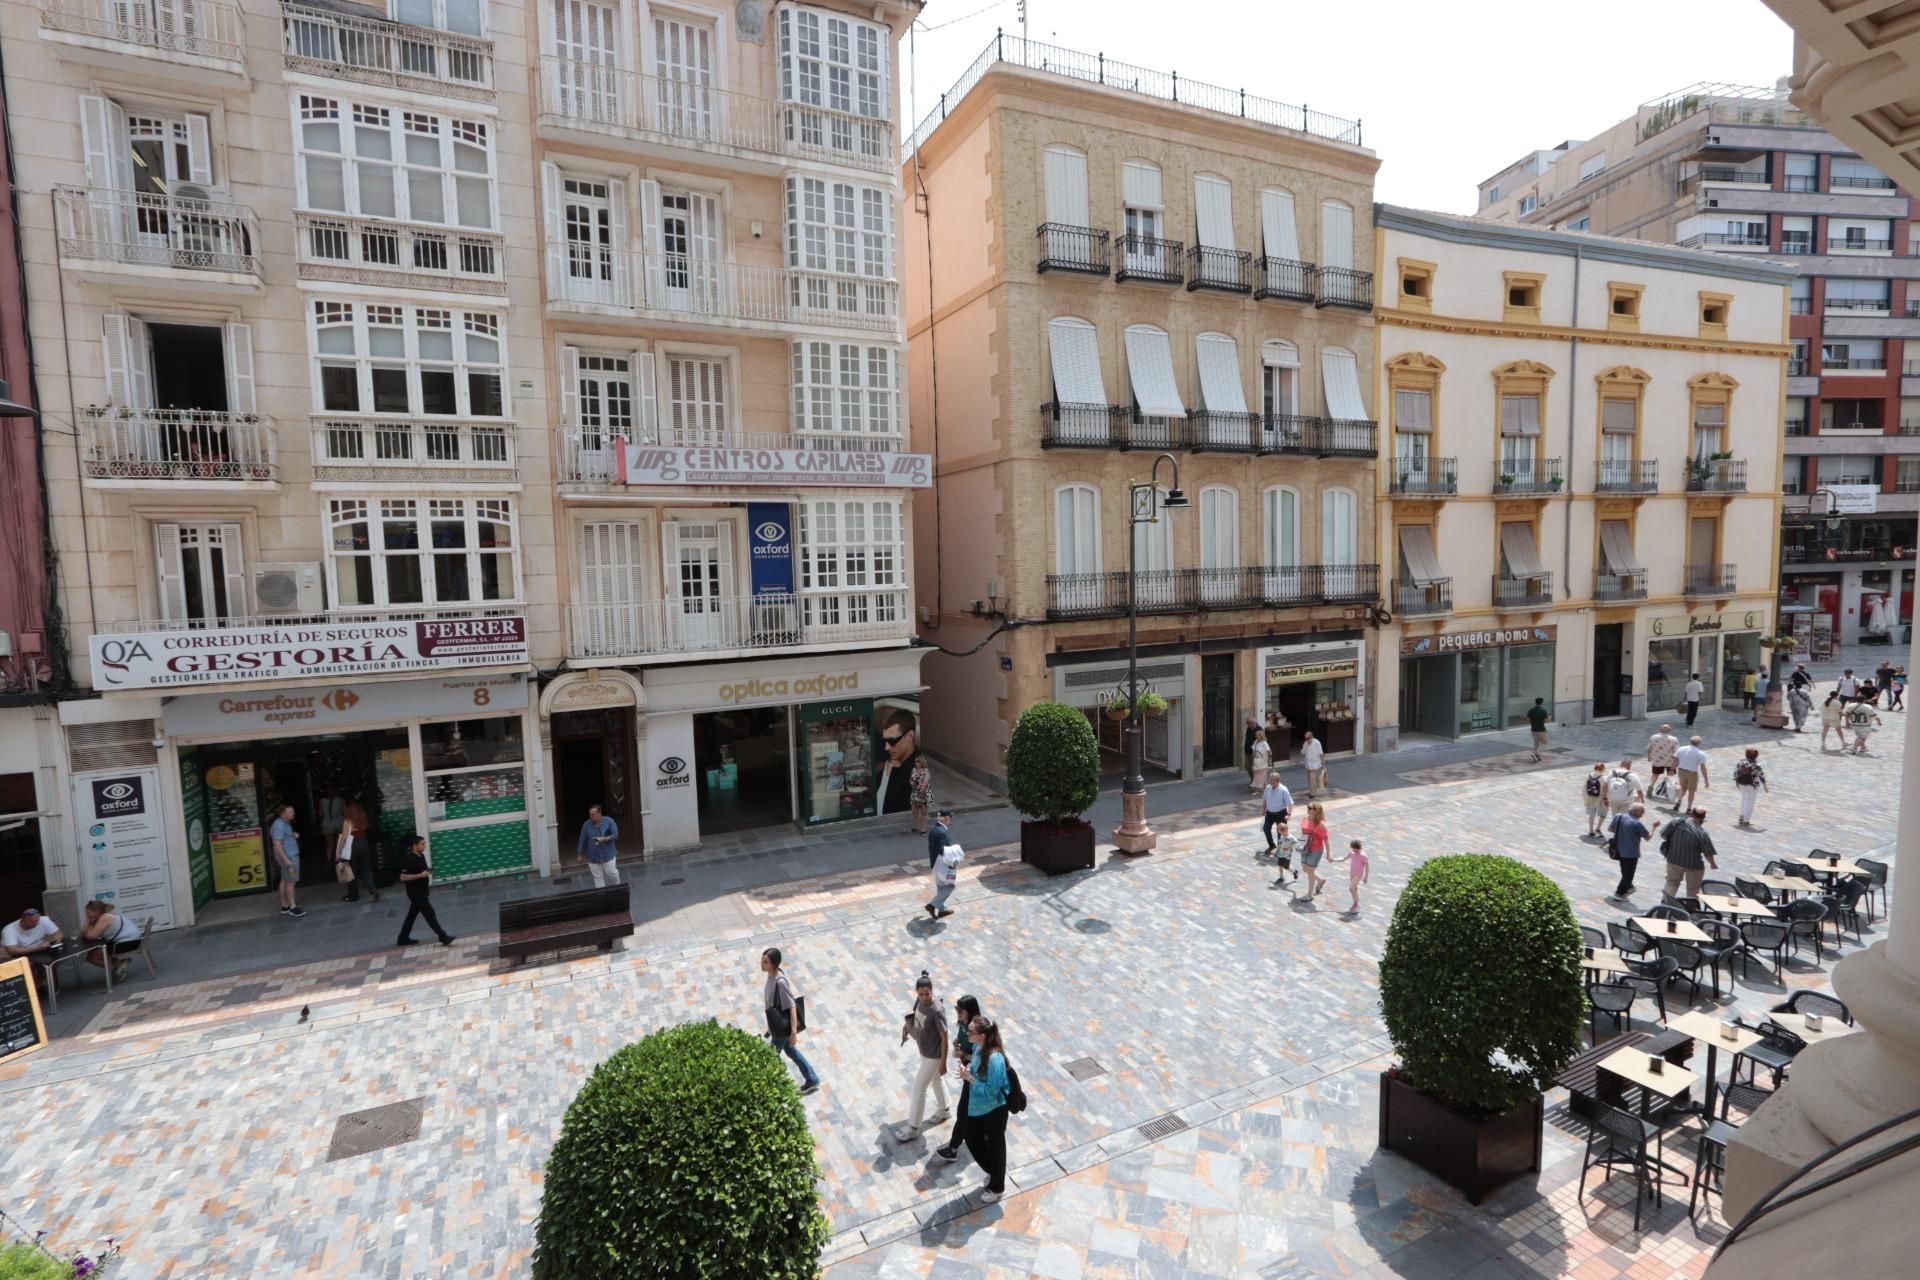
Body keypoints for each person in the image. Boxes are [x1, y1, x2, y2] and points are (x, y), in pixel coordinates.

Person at [958, 1015, 1011, 1201]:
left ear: (981, 1035)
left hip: (994, 1109)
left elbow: (992, 1091)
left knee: (996, 1146)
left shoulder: (995, 1058)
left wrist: (970, 1079)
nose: (967, 1033)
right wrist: (967, 1069)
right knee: (971, 1137)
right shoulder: (978, 1047)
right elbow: (975, 1065)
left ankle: (997, 1187)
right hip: (978, 1107)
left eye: (970, 1031)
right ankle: (995, 1171)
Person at [896, 971, 951, 1142]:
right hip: (924, 1051)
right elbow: (916, 1017)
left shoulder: (937, 1010)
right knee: (935, 1080)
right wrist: (905, 1029)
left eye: (927, 994)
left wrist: (943, 1062)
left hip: (934, 1056)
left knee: (919, 1088)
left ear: (932, 991)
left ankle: (913, 1127)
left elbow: (945, 1038)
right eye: (920, 994)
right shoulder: (919, 1001)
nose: (924, 997)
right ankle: (945, 1109)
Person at [760, 946, 819, 1094]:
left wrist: (793, 1033)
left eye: (765, 962)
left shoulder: (780, 982)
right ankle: (812, 1079)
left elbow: (791, 1006)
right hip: (778, 1025)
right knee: (791, 1051)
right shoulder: (771, 975)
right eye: (762, 961)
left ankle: (771, 1087)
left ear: (773, 964)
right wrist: (769, 1026)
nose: (762, 964)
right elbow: (773, 1004)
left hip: (784, 1028)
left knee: (770, 1056)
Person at [933, 994, 981, 1164]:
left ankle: (953, 1149)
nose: (958, 1012)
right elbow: (961, 1039)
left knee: (963, 1111)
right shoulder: (963, 1024)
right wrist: (957, 1044)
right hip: (967, 1072)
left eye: (961, 1010)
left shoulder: (976, 1029)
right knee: (969, 1109)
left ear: (970, 1011)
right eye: (957, 1009)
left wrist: (964, 1055)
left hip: (975, 1075)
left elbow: (978, 1055)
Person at [394, 834, 454, 947]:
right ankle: (443, 936)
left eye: (424, 843)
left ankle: (402, 938)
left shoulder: (421, 856)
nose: (425, 846)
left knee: (411, 915)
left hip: (422, 890)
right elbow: (403, 877)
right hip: (414, 892)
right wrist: (421, 875)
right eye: (422, 844)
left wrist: (427, 871)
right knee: (429, 913)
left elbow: (422, 871)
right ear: (414, 846)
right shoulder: (408, 859)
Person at [1661, 806, 1720, 900]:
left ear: (1691, 813)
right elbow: (1708, 853)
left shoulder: (1676, 822)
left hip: (1673, 859)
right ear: (1703, 818)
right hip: (1693, 865)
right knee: (1693, 889)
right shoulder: (1702, 833)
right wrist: (1712, 864)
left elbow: (1663, 834)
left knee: (1671, 883)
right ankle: (1691, 909)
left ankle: (1665, 904)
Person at [79, 900, 142, 984]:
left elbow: (91, 936)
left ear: (96, 911)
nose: (86, 914)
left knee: (92, 958)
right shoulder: (102, 917)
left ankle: (117, 969)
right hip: (131, 940)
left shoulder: (105, 918)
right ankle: (119, 964)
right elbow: (83, 934)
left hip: (129, 942)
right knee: (92, 955)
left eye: (88, 912)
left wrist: (88, 921)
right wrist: (89, 920)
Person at [1608, 803, 1657, 902]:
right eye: (1642, 812)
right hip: (1631, 853)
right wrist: (1654, 827)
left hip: (1618, 849)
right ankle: (1619, 893)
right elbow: (1648, 837)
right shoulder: (1637, 823)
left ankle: (1628, 887)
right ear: (1637, 812)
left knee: (1624, 871)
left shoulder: (1619, 816)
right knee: (1628, 875)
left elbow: (1610, 829)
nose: (1642, 815)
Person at [876, 709, 921, 815]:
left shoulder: (916, 774)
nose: (887, 747)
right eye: (884, 741)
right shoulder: (890, 759)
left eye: (892, 741)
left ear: (909, 736)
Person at [269, 803, 306, 918]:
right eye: (290, 812)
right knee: (291, 882)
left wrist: (292, 835)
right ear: (282, 814)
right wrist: (286, 860)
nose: (293, 814)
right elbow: (277, 844)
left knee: (285, 880)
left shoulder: (282, 823)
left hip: (287, 855)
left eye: (293, 811)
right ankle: (293, 907)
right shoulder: (280, 825)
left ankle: (285, 905)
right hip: (289, 856)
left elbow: (281, 839)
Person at [336, 814, 379, 903]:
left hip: (353, 846)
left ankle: (353, 896)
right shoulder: (363, 819)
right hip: (364, 844)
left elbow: (344, 837)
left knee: (351, 872)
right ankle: (373, 890)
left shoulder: (348, 821)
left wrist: (338, 853)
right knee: (366, 870)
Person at [576, 804, 620, 888]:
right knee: (598, 877)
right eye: (590, 814)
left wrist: (605, 839)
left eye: (592, 814)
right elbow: (582, 839)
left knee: (611, 873)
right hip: (593, 857)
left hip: (608, 855)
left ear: (599, 813)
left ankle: (617, 886)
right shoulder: (586, 824)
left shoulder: (609, 821)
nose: (590, 816)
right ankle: (601, 894)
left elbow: (615, 834)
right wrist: (579, 853)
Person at [1296, 801, 1330, 900]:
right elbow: (1303, 832)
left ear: (1315, 811)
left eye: (1309, 807)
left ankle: (1310, 895)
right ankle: (1320, 880)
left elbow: (1326, 841)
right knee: (1305, 869)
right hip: (1305, 848)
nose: (1307, 809)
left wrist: (1328, 854)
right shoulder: (1305, 819)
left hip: (1316, 850)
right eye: (1308, 807)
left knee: (1310, 870)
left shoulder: (1320, 825)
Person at [1259, 770, 1293, 869]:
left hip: (1280, 814)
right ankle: (1271, 845)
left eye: (1272, 781)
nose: (1270, 782)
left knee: (1280, 834)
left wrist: (1289, 814)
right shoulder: (1268, 788)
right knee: (1266, 828)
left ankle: (1279, 851)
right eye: (1270, 780)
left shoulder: (1283, 790)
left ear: (1277, 781)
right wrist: (1263, 809)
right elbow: (1265, 799)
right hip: (1270, 813)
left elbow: (1290, 804)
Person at [1733, 747, 1769, 827]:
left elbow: (1735, 773)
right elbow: (1761, 775)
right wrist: (1765, 786)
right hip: (1752, 785)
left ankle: (1742, 816)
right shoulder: (1756, 765)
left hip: (1741, 784)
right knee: (1750, 802)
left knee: (1744, 799)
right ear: (1756, 756)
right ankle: (1746, 820)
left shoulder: (1740, 762)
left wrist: (1736, 780)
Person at [1673, 735, 1709, 814]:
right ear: (1699, 743)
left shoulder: (1681, 748)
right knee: (1691, 791)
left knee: (1683, 788)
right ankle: (1689, 808)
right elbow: (1703, 768)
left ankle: (1679, 800)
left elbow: (1675, 759)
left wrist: (1672, 768)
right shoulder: (1700, 753)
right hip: (1692, 774)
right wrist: (1706, 780)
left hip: (1681, 771)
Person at [927, 841, 962, 919]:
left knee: (941, 890)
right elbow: (952, 869)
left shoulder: (942, 854)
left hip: (937, 870)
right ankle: (932, 905)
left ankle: (942, 910)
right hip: (945, 874)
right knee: (950, 887)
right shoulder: (953, 857)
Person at [1646, 724, 1680, 804]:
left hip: (1657, 760)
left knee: (1655, 774)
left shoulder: (1653, 737)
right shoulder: (1673, 739)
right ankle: (1668, 791)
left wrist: (1649, 757)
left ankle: (1651, 786)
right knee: (1670, 776)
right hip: (1669, 761)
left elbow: (1649, 748)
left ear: (1660, 730)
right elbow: (1677, 752)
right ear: (1669, 731)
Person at [1341, 838, 1369, 914]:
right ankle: (1355, 903)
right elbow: (1343, 859)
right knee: (1354, 889)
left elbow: (1367, 867)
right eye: (1353, 850)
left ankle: (1356, 904)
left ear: (1360, 848)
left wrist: (1365, 877)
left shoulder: (1363, 855)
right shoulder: (1352, 852)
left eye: (1356, 850)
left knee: (1351, 888)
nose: (1355, 852)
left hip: (1358, 874)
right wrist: (1333, 859)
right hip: (1352, 873)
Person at [1583, 763, 1609, 838]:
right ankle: (1598, 828)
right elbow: (1606, 789)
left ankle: (1591, 831)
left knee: (1591, 814)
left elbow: (1584, 788)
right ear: (1603, 769)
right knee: (1604, 812)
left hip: (1590, 797)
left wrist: (1585, 798)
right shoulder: (1604, 778)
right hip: (1600, 797)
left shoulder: (1589, 776)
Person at [909, 755, 933, 835]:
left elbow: (925, 782)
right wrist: (913, 783)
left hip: (924, 794)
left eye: (918, 761)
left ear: (922, 762)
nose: (916, 763)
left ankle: (923, 829)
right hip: (915, 793)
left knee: (923, 812)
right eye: (915, 761)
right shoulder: (913, 770)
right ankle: (915, 826)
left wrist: (920, 791)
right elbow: (911, 780)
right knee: (914, 811)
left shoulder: (926, 771)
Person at [1300, 731, 1327, 797]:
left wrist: (1324, 765)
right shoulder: (1305, 743)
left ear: (1312, 737)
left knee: (1312, 778)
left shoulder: (1317, 743)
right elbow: (1303, 752)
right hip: (1308, 764)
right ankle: (1311, 791)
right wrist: (1298, 760)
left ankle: (1313, 793)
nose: (1307, 740)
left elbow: (1321, 754)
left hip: (1315, 764)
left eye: (1308, 738)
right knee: (1309, 779)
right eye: (1306, 739)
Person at [1525, 697, 1549, 762]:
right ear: (1542, 703)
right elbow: (1547, 720)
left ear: (1535, 702)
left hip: (1533, 730)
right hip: (1541, 730)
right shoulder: (1543, 711)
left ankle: (1537, 757)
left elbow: (1527, 719)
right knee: (1544, 742)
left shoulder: (1531, 710)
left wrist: (1533, 721)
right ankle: (1536, 753)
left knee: (1536, 744)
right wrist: (1549, 718)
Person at [1249, 729, 1272, 793]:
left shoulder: (1264, 743)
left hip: (1263, 761)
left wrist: (1269, 761)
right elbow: (1253, 750)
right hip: (1256, 761)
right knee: (1259, 775)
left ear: (1260, 736)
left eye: (1256, 735)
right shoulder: (1256, 742)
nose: (1255, 736)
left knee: (1259, 776)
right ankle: (1264, 787)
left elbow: (1269, 752)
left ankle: (1257, 789)